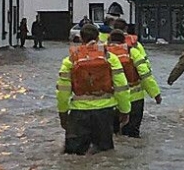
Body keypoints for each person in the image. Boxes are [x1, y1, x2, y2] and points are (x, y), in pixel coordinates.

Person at [56, 24, 131, 155]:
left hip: (78, 113)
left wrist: (63, 114)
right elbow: (121, 87)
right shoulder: (110, 58)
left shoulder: (70, 60)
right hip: (104, 113)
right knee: (104, 155)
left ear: (81, 39)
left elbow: (63, 92)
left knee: (73, 157)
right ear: (98, 37)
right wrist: (125, 110)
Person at [107, 29, 162, 138]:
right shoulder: (132, 52)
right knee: (132, 133)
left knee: (113, 134)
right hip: (135, 100)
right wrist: (156, 94)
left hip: (112, 101)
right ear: (124, 41)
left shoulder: (104, 54)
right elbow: (145, 75)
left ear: (109, 41)